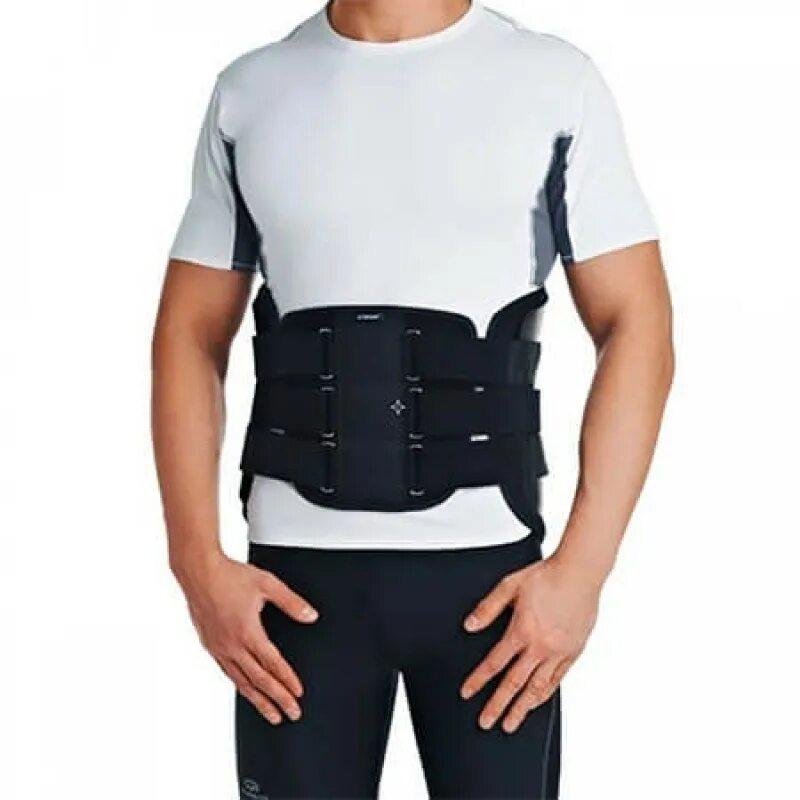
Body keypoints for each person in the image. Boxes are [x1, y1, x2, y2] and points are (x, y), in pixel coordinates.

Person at [151, 1, 673, 797]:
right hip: (294, 593)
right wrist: (195, 563)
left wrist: (582, 573)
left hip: (492, 591)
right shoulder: (252, 91)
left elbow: (637, 323)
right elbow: (189, 334)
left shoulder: (551, 82)